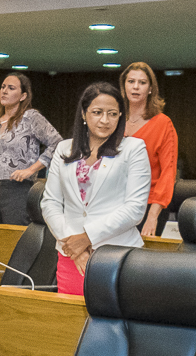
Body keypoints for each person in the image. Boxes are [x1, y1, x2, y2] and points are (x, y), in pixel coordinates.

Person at [39, 82, 151, 296]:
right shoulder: (64, 148)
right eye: (97, 112)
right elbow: (50, 202)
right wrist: (73, 244)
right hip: (71, 254)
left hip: (116, 254)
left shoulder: (133, 149)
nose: (104, 120)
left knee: (112, 325)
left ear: (120, 116)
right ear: (84, 113)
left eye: (112, 114)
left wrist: (87, 237)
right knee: (69, 324)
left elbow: (135, 209)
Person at [0, 73, 62, 225]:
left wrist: (31, 170)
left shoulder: (31, 117)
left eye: (11, 88)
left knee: (14, 240)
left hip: (16, 189)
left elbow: (57, 144)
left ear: (23, 96)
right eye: (3, 87)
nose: (4, 91)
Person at [118, 61, 177, 237]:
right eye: (131, 81)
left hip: (148, 205)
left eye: (142, 83)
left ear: (150, 89)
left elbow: (168, 173)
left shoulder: (163, 123)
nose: (136, 87)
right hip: (114, 204)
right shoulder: (114, 120)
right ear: (124, 86)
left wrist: (152, 216)